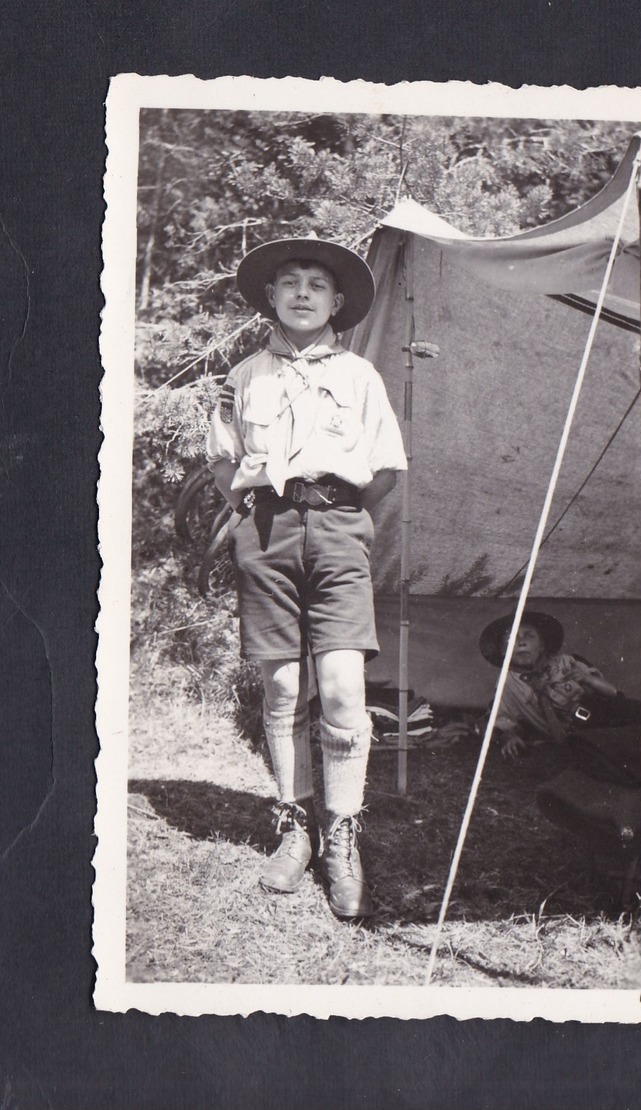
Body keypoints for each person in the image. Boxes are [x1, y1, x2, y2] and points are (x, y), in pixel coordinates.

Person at [207, 235, 407, 918]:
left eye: (315, 285)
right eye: (287, 282)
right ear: (269, 295)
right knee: (283, 685)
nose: (300, 293)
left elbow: (383, 468)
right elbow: (222, 461)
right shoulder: (244, 377)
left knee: (344, 690)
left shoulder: (360, 376)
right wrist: (256, 516)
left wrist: (332, 511)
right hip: (265, 534)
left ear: (337, 301)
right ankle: (295, 826)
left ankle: (342, 834)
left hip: (338, 531)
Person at [479, 609, 641, 786]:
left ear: (542, 646)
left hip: (599, 710)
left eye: (529, 636)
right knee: (603, 757)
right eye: (512, 639)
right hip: (572, 734)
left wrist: (586, 678)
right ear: (503, 651)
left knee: (638, 718)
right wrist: (510, 737)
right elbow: (502, 720)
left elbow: (613, 693)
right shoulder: (507, 685)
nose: (521, 642)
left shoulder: (565, 662)